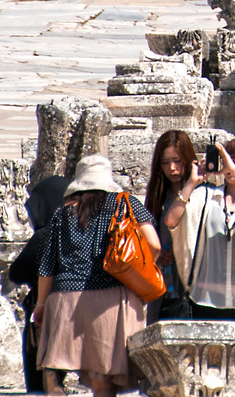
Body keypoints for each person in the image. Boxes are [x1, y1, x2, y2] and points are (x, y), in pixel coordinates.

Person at [33, 156, 157, 397]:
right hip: (109, 298)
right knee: (103, 381)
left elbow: (47, 266)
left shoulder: (62, 214)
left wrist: (40, 305)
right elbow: (154, 244)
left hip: (65, 299)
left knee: (59, 371)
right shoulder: (125, 203)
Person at [164, 138, 235, 321]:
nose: (230, 164)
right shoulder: (205, 196)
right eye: (227, 158)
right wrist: (192, 183)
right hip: (205, 298)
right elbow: (171, 221)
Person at [8, 176, 69, 395]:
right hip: (72, 310)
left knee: (39, 380)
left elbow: (16, 272)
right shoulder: (77, 233)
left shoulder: (45, 236)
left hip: (43, 313)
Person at [143, 132, 197, 322]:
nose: (172, 168)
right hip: (164, 286)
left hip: (194, 283)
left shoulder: (202, 194)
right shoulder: (157, 196)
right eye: (165, 162)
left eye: (177, 160)